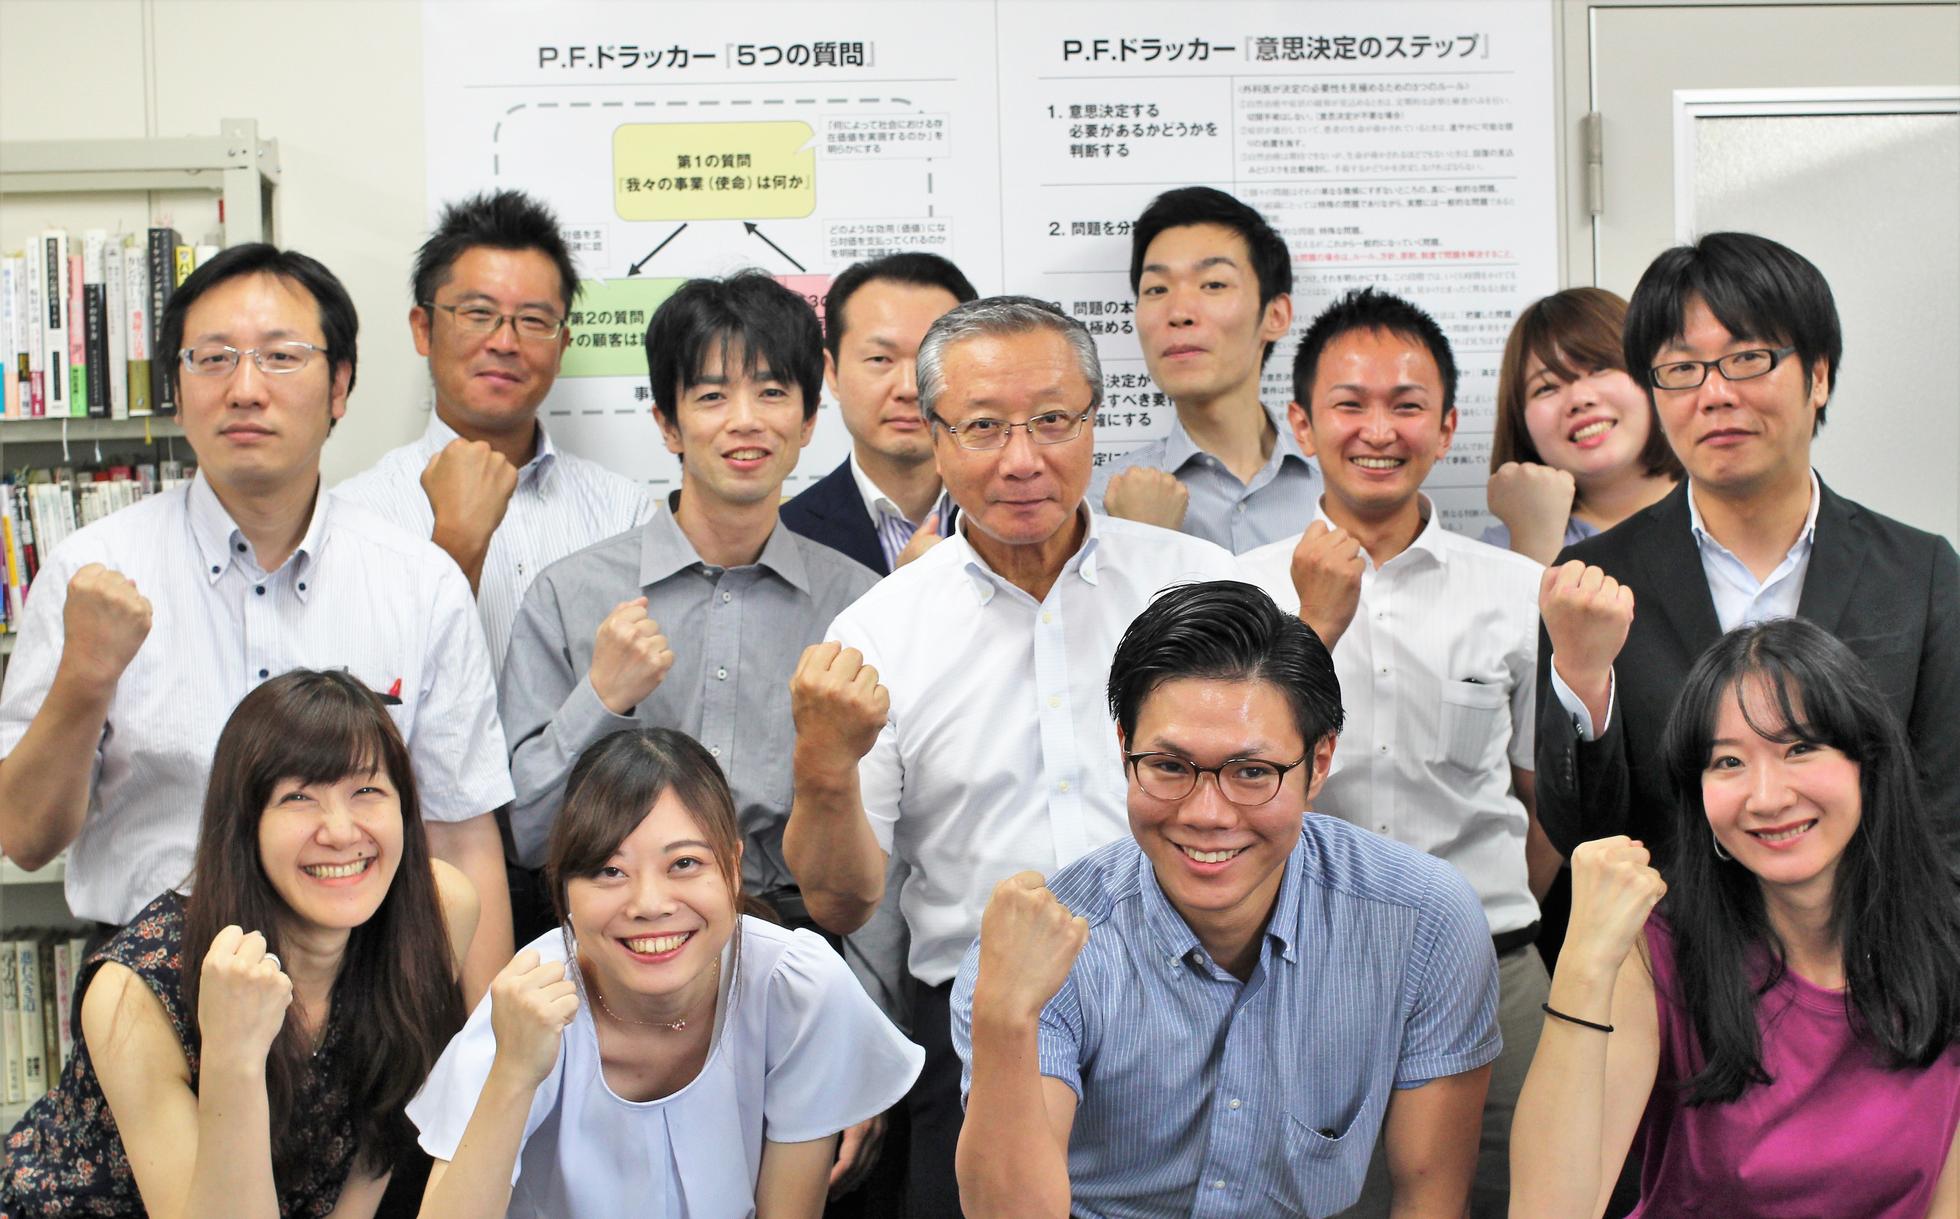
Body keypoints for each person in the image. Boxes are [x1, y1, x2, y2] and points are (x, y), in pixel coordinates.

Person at [783, 296, 1239, 1214]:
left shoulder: (1198, 589)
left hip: (1202, 1016)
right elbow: (841, 901)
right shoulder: (879, 630)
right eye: (985, 426)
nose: (1022, 458)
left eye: (1053, 420)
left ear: (1095, 422)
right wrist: (824, 767)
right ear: (936, 436)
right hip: (976, 1029)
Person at [0, 243, 515, 1006]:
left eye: (281, 356)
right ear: (177, 393)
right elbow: (24, 836)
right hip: (149, 994)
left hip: (364, 1000)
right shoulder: (93, 571)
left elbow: (463, 839)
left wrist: (489, 1050)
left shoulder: (419, 582)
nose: (245, 389)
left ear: (339, 386)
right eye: (213, 359)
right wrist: (86, 676)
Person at [952, 580, 1499, 1219]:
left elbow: (1431, 1197)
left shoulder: (1421, 920)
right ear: (1124, 750)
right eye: (1169, 767)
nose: (1207, 814)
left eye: (1252, 773)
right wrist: (1005, 1016)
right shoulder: (1041, 949)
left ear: (1320, 763)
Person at [1238, 286, 1552, 1217]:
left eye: (1408, 404)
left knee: (1519, 1195)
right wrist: (1312, 627)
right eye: (1349, 403)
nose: (1379, 430)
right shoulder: (1237, 590)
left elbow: (1543, 798)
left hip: (1494, 970)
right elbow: (1227, 789)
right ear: (1302, 422)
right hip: (1302, 972)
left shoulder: (1517, 591)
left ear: (1448, 425)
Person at [1511, 618, 1960, 1218]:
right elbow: (1548, 1212)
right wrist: (1585, 963)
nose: (1768, 797)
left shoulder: (1945, 943)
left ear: (1867, 763)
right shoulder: (1656, 951)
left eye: (1799, 748)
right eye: (1728, 762)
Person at [1534, 232, 1960, 861]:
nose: (1715, 394)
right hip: (1676, 922)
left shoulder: (1920, 574)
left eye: (1748, 358)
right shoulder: (1593, 580)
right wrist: (1582, 678)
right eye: (1682, 370)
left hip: (1871, 923)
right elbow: (1582, 835)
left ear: (1818, 376)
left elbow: (1947, 823)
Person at [2, 669, 477, 1218]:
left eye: (366, 790)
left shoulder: (439, 914)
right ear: (244, 826)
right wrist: (234, 1056)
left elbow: (376, 1143)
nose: (341, 831)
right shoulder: (136, 991)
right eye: (298, 797)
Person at [408, 727, 922, 1219]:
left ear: (733, 866)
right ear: (564, 888)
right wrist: (514, 1071)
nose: (649, 904)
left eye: (685, 864)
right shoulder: (529, 1001)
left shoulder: (794, 988)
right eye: (610, 871)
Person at [334, 189, 655, 670]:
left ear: (562, 345)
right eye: (478, 314)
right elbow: (365, 692)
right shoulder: (356, 517)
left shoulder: (622, 513)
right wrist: (455, 547)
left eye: (534, 320)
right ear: (423, 329)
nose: (505, 342)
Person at [1091, 187, 1316, 553]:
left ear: (1275, 315)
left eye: (1213, 284)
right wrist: (1141, 543)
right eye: (1156, 289)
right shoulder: (1100, 505)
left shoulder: (1343, 486)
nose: (1179, 313)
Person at [779, 252, 978, 574]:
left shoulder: (1020, 517)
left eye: (932, 359)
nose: (909, 388)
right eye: (880, 359)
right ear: (832, 372)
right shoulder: (785, 537)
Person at [1482, 288, 1681, 565]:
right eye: (1546, 388)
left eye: (1599, 369)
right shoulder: (1497, 553)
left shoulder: (1721, 503)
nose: (1579, 399)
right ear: (1520, 423)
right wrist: (1534, 543)